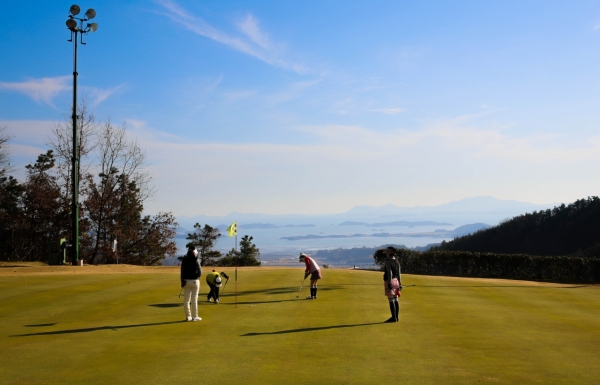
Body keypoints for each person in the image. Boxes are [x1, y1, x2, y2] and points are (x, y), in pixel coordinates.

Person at [180, 246, 202, 321]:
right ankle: (195, 316)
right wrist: (197, 276)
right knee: (194, 299)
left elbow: (182, 272)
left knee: (186, 299)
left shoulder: (184, 260)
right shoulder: (196, 259)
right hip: (195, 281)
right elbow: (200, 272)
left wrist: (182, 281)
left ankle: (188, 317)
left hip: (185, 281)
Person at [383, 246, 402, 323]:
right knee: (396, 299)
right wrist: (400, 283)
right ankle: (396, 317)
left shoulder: (388, 261)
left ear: (390, 253)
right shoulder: (397, 261)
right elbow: (399, 274)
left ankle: (393, 318)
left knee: (391, 300)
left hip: (390, 281)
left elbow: (389, 272)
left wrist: (389, 283)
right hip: (396, 281)